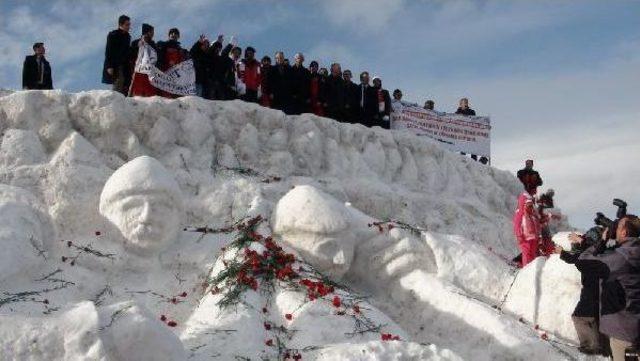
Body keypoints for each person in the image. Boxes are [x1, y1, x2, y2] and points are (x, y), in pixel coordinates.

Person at [573, 215, 640, 361]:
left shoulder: (620, 258)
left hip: (623, 333)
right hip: (633, 326)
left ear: (624, 233)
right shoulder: (634, 252)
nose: (615, 229)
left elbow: (583, 261)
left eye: (618, 226)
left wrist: (601, 241)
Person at [555, 231, 608, 355]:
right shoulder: (603, 252)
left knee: (580, 317)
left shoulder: (591, 255)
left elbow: (578, 259)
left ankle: (591, 346)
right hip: (601, 290)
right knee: (595, 318)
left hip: (591, 291)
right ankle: (602, 347)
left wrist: (562, 252)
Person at [103, 15, 132, 95]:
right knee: (118, 82)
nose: (129, 27)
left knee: (126, 85)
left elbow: (128, 51)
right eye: (127, 24)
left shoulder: (128, 37)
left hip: (125, 66)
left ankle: (123, 105)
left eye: (129, 24)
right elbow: (108, 51)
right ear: (121, 24)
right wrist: (109, 66)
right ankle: (115, 103)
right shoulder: (113, 35)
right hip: (115, 65)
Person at [513, 191, 541, 267]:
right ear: (524, 204)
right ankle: (526, 268)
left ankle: (531, 268)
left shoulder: (533, 215)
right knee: (526, 253)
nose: (530, 207)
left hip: (533, 238)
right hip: (525, 238)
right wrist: (519, 235)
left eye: (531, 205)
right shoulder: (520, 214)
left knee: (533, 253)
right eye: (528, 205)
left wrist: (538, 235)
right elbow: (517, 225)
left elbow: (537, 225)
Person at [156, 28, 187, 98]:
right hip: (165, 73)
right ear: (169, 35)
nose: (173, 35)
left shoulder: (180, 50)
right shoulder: (163, 45)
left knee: (178, 97)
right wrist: (166, 62)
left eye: (176, 33)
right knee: (166, 95)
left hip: (177, 76)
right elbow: (158, 58)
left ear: (178, 36)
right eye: (171, 33)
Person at [129, 23, 157, 97]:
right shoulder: (136, 43)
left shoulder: (153, 44)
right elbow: (131, 56)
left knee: (149, 90)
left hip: (149, 71)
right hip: (138, 70)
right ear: (147, 32)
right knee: (138, 90)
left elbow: (155, 57)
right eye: (152, 32)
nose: (153, 34)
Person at [207, 35, 233, 100]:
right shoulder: (210, 55)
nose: (218, 49)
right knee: (211, 97)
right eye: (217, 47)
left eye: (219, 48)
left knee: (221, 98)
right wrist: (218, 42)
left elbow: (225, 53)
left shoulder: (220, 58)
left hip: (220, 81)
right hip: (211, 79)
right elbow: (211, 51)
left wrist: (230, 44)